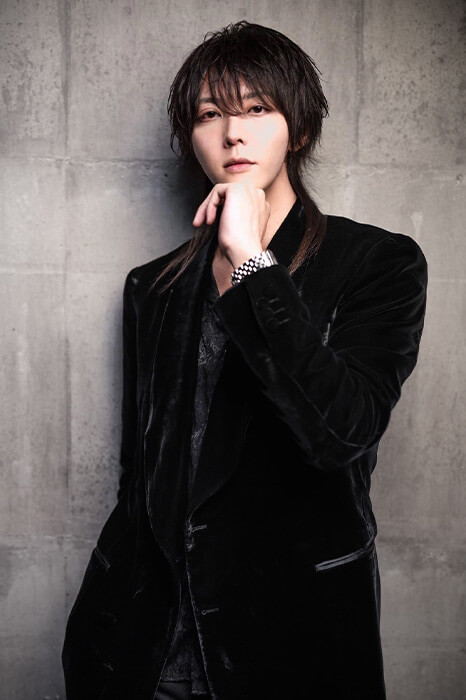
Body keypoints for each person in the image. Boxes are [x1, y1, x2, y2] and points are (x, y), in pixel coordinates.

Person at [62, 20, 428, 700]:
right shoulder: (152, 286)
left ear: (300, 128)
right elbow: (141, 475)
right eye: (210, 115)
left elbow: (340, 432)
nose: (233, 133)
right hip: (145, 645)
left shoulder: (377, 262)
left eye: (258, 108)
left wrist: (253, 261)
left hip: (288, 637)